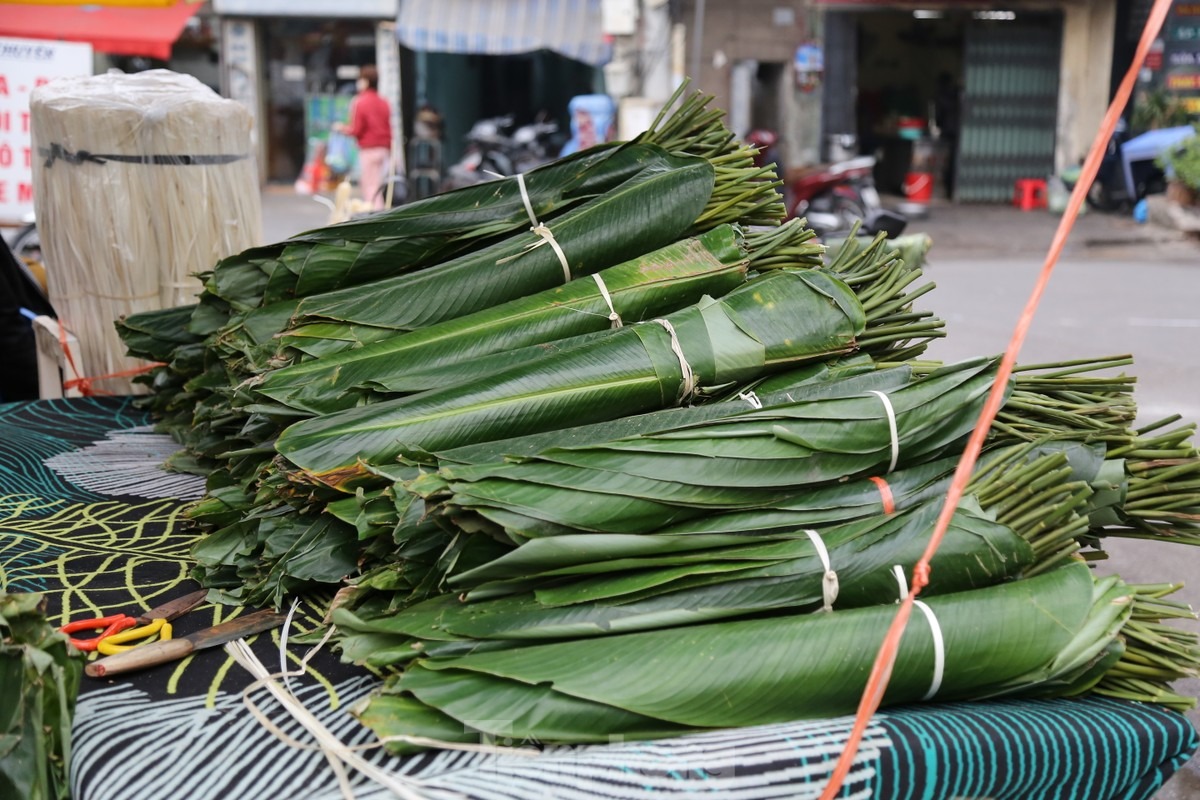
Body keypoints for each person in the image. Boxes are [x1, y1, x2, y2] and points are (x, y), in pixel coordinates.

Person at [336, 65, 392, 210]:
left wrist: (341, 128)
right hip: (384, 149)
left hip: (369, 149)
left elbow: (356, 129)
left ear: (365, 81)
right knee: (378, 183)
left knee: (370, 185)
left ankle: (376, 215)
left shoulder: (360, 102)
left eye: (360, 79)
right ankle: (378, 211)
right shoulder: (384, 101)